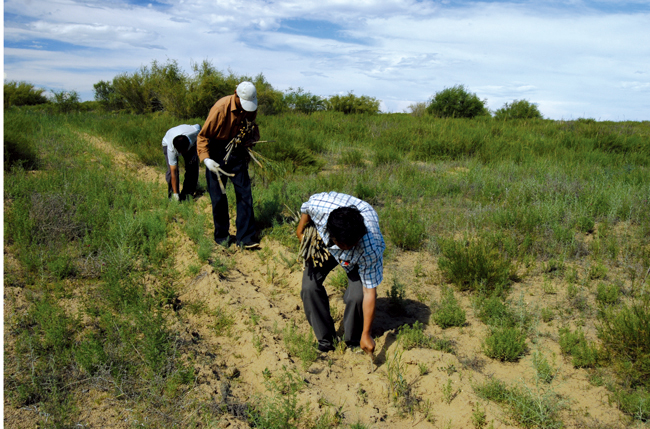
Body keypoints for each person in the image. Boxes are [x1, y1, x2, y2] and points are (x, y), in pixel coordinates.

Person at [296, 192, 385, 355]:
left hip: (358, 255)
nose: (347, 248)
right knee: (309, 288)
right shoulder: (320, 207)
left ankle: (354, 339)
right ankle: (325, 339)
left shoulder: (370, 246)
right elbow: (306, 208)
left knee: (357, 296)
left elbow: (369, 291)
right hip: (326, 246)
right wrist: (300, 230)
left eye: (351, 244)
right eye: (344, 245)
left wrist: (367, 334)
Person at [197, 81, 260, 249]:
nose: (248, 108)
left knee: (245, 194)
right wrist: (206, 159)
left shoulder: (251, 107)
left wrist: (250, 140)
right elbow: (202, 136)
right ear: (236, 94)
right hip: (216, 152)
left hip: (237, 152)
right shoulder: (220, 108)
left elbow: (252, 127)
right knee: (219, 197)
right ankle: (222, 237)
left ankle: (245, 238)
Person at [162, 124, 201, 201]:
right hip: (167, 141)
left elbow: (199, 126)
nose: (182, 154)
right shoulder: (171, 149)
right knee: (171, 172)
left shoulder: (195, 132)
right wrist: (176, 194)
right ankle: (173, 196)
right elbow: (174, 172)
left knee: (192, 167)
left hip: (191, 142)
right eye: (180, 152)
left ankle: (187, 194)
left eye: (184, 151)